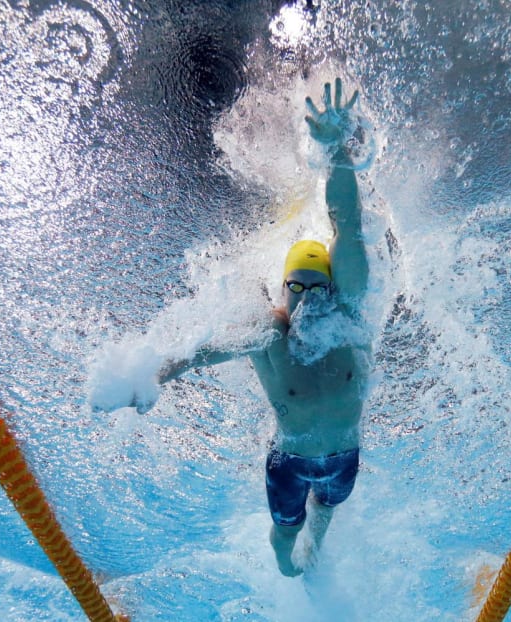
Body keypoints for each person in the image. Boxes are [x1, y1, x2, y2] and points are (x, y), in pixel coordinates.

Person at [156, 78, 370, 577]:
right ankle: (285, 560)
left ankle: (315, 550)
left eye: (320, 287)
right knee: (288, 533)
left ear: (333, 286)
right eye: (299, 288)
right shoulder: (268, 335)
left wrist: (337, 150)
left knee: (326, 515)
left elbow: (349, 225)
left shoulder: (350, 315)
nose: (311, 300)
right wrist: (153, 377)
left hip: (343, 458)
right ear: (283, 291)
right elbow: (197, 354)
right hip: (289, 465)